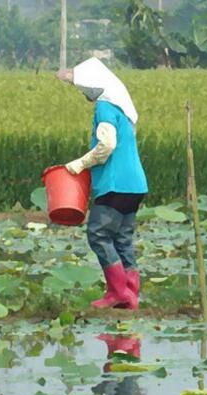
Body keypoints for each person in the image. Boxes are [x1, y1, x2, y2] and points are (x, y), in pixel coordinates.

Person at [56, 57, 148, 310]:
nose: (82, 91)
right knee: (122, 239)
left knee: (98, 234)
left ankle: (118, 292)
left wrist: (80, 164)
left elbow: (107, 145)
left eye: (83, 86)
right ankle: (131, 294)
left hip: (115, 183)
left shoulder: (105, 107)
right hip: (135, 185)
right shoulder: (124, 111)